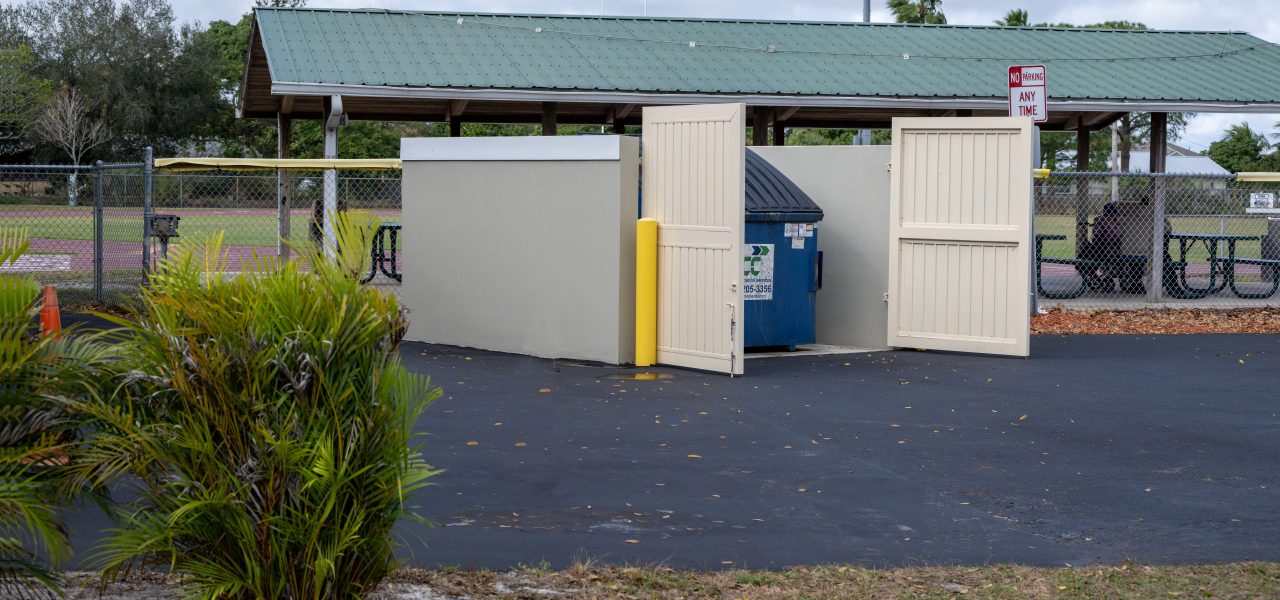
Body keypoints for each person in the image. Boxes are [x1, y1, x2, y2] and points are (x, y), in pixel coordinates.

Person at [1081, 203, 1122, 292]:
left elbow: (1095, 237)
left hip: (1101, 251)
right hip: (1108, 252)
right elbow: (1116, 238)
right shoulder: (1109, 223)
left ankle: (1096, 276)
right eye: (1114, 215)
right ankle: (1103, 276)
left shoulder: (1099, 220)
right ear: (1112, 215)